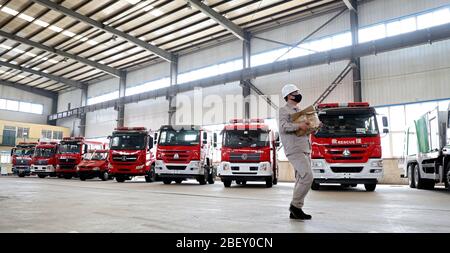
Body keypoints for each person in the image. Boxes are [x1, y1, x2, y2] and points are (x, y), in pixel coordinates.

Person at [278, 84, 313, 220]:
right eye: (295, 93)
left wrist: (313, 126)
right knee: (308, 177)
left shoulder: (300, 110)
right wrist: (300, 125)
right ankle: (295, 206)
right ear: (288, 96)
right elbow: (283, 127)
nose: (298, 94)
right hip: (294, 149)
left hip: (304, 148)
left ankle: (296, 210)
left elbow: (303, 129)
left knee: (300, 178)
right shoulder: (284, 110)